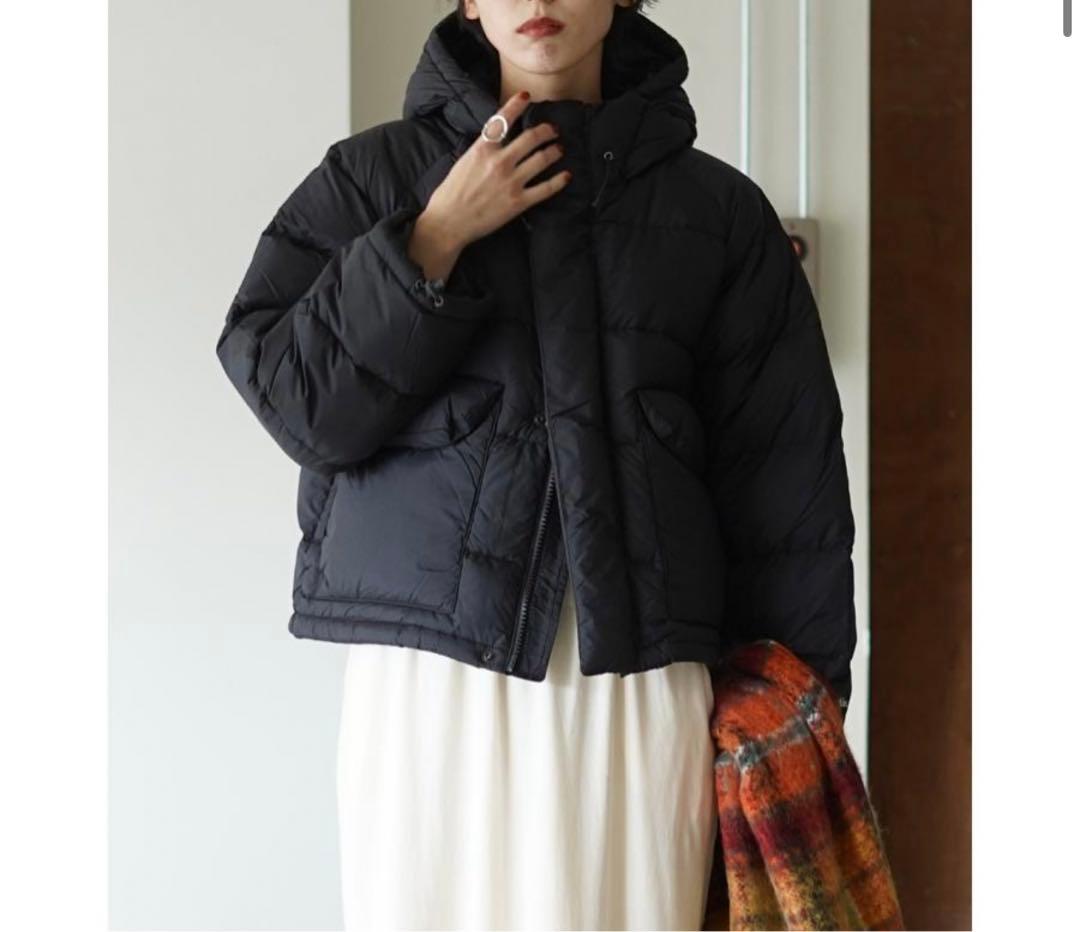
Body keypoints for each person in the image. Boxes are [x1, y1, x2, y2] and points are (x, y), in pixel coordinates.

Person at [215, 1, 857, 929]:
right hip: (430, 686)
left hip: (637, 695)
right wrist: (434, 236)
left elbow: (786, 487)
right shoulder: (373, 179)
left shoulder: (717, 215)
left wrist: (801, 705)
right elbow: (299, 402)